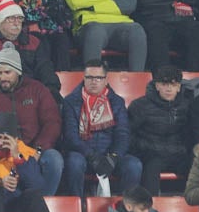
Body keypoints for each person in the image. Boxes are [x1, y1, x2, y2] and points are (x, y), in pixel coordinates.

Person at [0, 44, 63, 193]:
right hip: (1, 151)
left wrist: (39, 149)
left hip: (34, 149)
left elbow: (52, 122)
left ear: (18, 71)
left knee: (54, 159)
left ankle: (44, 204)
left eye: (8, 72)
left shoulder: (37, 89)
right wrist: (5, 150)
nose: (3, 77)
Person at [60, 61, 141, 194]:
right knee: (74, 163)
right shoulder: (70, 101)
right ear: (84, 78)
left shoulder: (116, 102)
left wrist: (113, 157)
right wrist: (92, 156)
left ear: (106, 80)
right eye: (89, 77)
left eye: (98, 78)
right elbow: (71, 136)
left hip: (109, 154)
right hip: (83, 154)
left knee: (133, 165)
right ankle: (77, 207)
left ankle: (125, 206)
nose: (94, 81)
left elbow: (123, 134)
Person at [0, 0, 62, 99]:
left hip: (30, 99)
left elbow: (46, 72)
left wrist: (48, 94)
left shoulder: (34, 43)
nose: (16, 23)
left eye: (19, 18)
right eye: (11, 19)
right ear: (0, 22)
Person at [125, 66, 191, 194]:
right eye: (164, 84)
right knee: (151, 167)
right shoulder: (140, 106)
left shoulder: (186, 106)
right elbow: (128, 134)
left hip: (178, 153)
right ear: (157, 86)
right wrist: (144, 148)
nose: (169, 88)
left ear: (178, 87)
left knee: (197, 166)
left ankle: (197, 208)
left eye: (173, 84)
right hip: (151, 154)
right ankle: (150, 209)